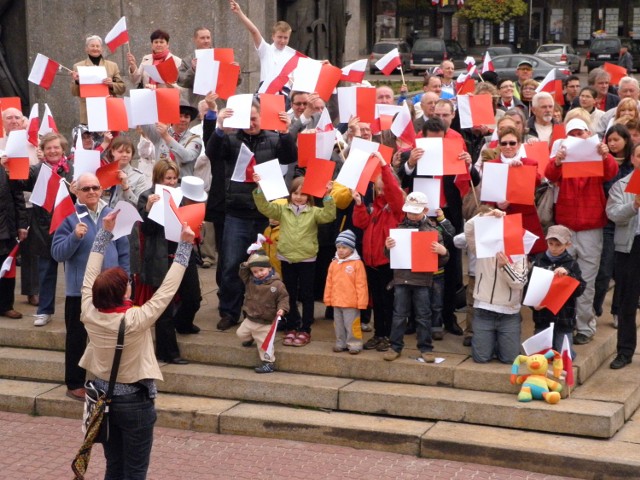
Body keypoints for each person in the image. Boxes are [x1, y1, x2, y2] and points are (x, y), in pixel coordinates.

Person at [80, 210, 195, 479]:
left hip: (102, 397)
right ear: (123, 293)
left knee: (114, 465)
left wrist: (103, 234)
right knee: (135, 470)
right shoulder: (136, 319)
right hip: (135, 400)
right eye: (127, 284)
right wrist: (185, 246)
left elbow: (89, 276)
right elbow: (166, 291)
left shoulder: (88, 311)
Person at [207, 102, 296, 331]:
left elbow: (290, 156)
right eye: (246, 120)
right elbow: (212, 153)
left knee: (268, 266)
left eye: (254, 118)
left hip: (266, 214)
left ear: (261, 117)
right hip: (236, 212)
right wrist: (219, 127)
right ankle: (229, 311)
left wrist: (286, 132)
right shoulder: (231, 139)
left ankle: (269, 312)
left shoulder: (273, 139)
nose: (251, 124)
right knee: (231, 265)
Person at [52, 172, 130, 401]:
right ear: (76, 192)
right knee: (77, 337)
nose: (92, 192)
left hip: (111, 289)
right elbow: (57, 253)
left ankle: (106, 379)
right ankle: (75, 382)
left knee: (109, 337)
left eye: (96, 188)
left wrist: (126, 280)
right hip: (80, 290)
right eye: (86, 189)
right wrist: (74, 237)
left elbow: (124, 249)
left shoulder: (110, 214)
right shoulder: (68, 217)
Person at [547, 118, 618, 345]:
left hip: (591, 226)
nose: (578, 136)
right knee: (561, 276)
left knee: (586, 279)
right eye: (574, 133)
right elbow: (550, 174)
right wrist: (557, 161)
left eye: (582, 132)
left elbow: (611, 173)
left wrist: (605, 154)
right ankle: (563, 322)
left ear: (589, 133)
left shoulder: (598, 152)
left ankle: (585, 326)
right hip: (566, 226)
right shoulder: (563, 152)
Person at [252, 175, 336, 346]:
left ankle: (305, 329)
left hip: (307, 258)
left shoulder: (313, 212)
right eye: (295, 193)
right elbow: (265, 207)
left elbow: (329, 215)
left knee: (307, 295)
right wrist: (259, 188)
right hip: (286, 257)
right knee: (288, 294)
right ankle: (292, 325)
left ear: (309, 196)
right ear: (290, 194)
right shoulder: (283, 210)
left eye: (303, 194)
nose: (299, 197)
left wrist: (327, 196)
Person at [11, 132, 74, 327]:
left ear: (63, 149)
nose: (53, 151)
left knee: (74, 273)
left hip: (71, 228)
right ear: (43, 151)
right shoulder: (37, 170)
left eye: (56, 147)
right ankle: (45, 310)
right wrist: (10, 166)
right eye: (49, 148)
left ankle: (76, 312)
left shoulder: (73, 170)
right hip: (44, 229)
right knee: (46, 272)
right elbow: (19, 181)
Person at [383, 192, 449, 362]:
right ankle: (395, 346)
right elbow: (391, 257)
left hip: (423, 280)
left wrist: (443, 252)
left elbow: (441, 261)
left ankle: (426, 348)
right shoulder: (399, 229)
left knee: (423, 315)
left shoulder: (433, 230)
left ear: (425, 210)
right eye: (409, 212)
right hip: (402, 279)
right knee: (399, 315)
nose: (411, 215)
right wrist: (388, 247)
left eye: (415, 212)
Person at [352, 153, 404, 352]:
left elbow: (393, 191)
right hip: (372, 262)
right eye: (378, 188)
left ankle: (389, 336)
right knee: (377, 301)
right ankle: (379, 333)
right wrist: (358, 205)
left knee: (387, 301)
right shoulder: (376, 208)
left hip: (387, 263)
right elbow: (361, 223)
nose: (380, 191)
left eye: (383, 188)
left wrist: (384, 166)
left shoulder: (397, 208)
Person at [464, 208, 528, 363]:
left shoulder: (520, 253)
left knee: (509, 359)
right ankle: (491, 341)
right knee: (481, 358)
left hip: (509, 314)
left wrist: (505, 266)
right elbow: (469, 230)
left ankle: (500, 341)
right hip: (483, 311)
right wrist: (487, 216)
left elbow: (519, 283)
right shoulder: (482, 249)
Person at [593, 124, 635, 325]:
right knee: (604, 270)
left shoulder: (632, 167)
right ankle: (596, 308)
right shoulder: (601, 162)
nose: (612, 143)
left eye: (616, 139)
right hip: (608, 222)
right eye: (609, 140)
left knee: (624, 274)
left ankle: (618, 310)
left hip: (629, 224)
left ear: (626, 140)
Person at [605, 142, 640, 369]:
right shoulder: (621, 186)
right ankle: (625, 352)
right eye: (639, 156)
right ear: (633, 159)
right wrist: (634, 206)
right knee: (627, 301)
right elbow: (613, 213)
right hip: (630, 247)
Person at [0, 107, 39, 307]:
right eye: (9, 117)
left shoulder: (33, 143)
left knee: (32, 249)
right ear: (3, 122)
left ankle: (32, 291)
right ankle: (5, 300)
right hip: (7, 207)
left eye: (17, 117)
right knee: (8, 252)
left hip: (31, 201)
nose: (14, 120)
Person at [528, 225, 586, 358]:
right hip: (542, 317)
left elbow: (580, 289)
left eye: (558, 245)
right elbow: (529, 287)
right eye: (551, 243)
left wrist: (569, 276)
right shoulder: (538, 260)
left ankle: (569, 352)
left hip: (564, 319)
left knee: (564, 357)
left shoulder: (571, 264)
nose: (553, 248)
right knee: (540, 357)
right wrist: (533, 305)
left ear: (567, 245)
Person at [237, 249, 289, 373]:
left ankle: (268, 362)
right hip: (250, 317)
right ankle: (250, 338)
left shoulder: (277, 285)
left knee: (264, 345)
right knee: (240, 334)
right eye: (255, 271)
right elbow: (243, 273)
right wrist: (246, 264)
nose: (259, 273)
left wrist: (282, 309)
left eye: (262, 270)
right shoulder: (250, 281)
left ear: (269, 268)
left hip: (265, 322)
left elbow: (284, 298)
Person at [229, 0, 293, 100]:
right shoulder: (266, 50)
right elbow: (254, 31)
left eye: (285, 38)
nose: (282, 41)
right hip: (266, 95)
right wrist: (239, 12)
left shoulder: (292, 56)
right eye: (279, 37)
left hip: (285, 97)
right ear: (273, 36)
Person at [324, 230, 368, 354]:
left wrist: (362, 302)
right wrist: (328, 298)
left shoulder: (357, 264)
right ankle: (340, 342)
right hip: (337, 301)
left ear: (351, 248)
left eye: (344, 247)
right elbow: (329, 283)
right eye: (338, 247)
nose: (341, 250)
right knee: (338, 325)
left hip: (351, 302)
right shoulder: (334, 263)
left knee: (352, 325)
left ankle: (354, 344)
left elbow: (361, 284)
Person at [71, 35, 125, 125]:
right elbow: (74, 93)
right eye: (92, 46)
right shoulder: (78, 66)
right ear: (86, 49)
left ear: (102, 49)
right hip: (88, 112)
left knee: (110, 138)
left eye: (97, 46)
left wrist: (111, 84)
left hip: (108, 109)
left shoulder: (112, 66)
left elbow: (122, 88)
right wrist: (77, 81)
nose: (95, 48)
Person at [138, 102, 203, 177]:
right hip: (161, 183)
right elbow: (141, 119)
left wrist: (166, 136)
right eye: (180, 116)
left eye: (186, 117)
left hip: (180, 185)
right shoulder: (160, 134)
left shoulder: (194, 139)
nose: (183, 119)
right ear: (172, 117)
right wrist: (149, 94)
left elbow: (186, 157)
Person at [0, 152, 27, 319]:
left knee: (7, 269)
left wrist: (22, 225)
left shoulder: (7, 167)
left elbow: (18, 198)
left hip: (7, 228)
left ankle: (6, 305)